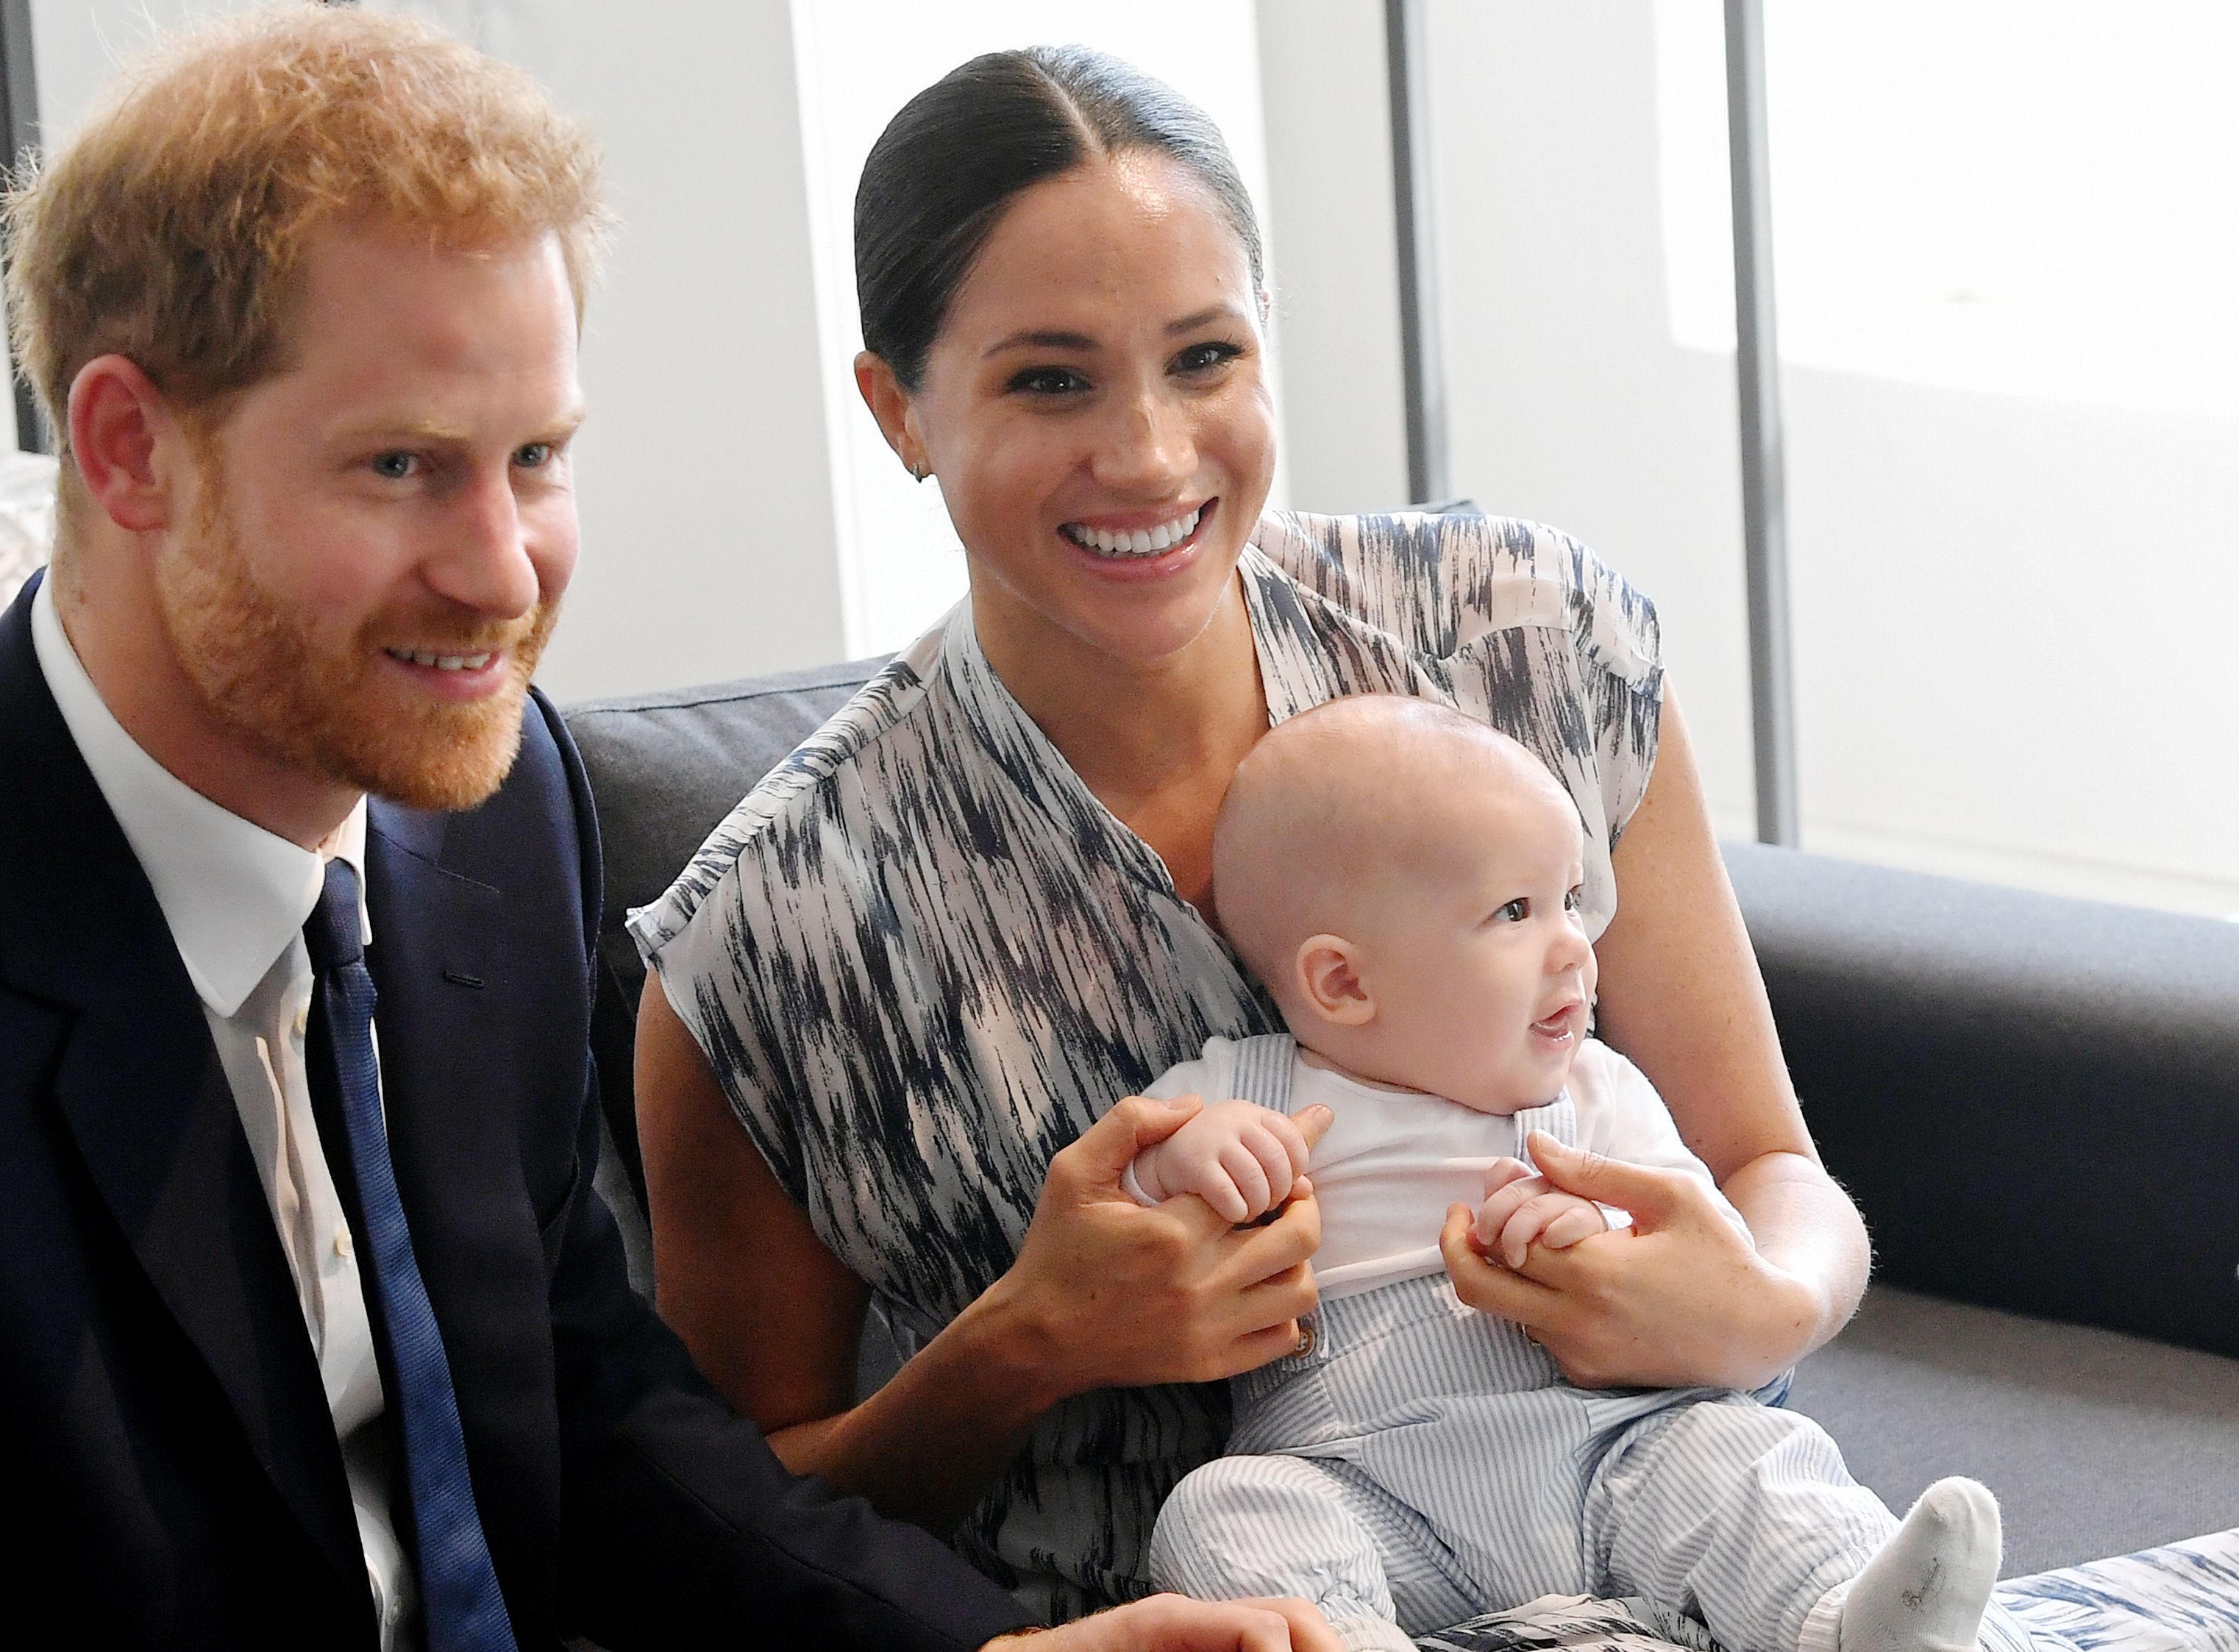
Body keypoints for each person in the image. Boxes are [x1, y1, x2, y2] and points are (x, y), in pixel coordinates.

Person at [0, 13, 1342, 1651]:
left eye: (534, 459)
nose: (505, 575)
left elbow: (588, 1417)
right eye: (400, 467)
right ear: (125, 447)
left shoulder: (492, 816)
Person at [632, 44, 1873, 1627]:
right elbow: (719, 1534)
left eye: (1204, 357)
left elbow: (1772, 1165)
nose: (1148, 454)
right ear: (898, 409)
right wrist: (1026, 1341)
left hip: (1673, 1560)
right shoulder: (771, 941)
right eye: (1048, 378)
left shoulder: (1525, 640)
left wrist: (1756, 1302)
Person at [1124, 695, 2034, 1652]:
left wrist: (1597, 1240)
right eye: (1513, 910)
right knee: (1220, 1509)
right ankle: (1345, 1636)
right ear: (1342, 983)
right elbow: (1117, 1197)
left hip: (1615, 1457)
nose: (1572, 944)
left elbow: (1696, 1251)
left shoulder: (1597, 1093)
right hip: (1364, 1486)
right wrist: (1189, 1156)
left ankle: (1849, 1620)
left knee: (1747, 1460)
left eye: (1569, 898)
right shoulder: (1244, 1092)